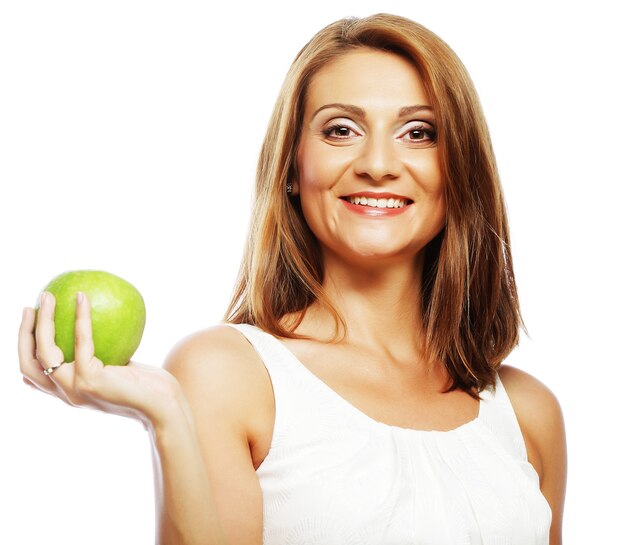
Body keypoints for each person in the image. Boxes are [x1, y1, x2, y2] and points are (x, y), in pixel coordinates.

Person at [18, 12, 567, 545]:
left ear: (460, 169)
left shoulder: (527, 413)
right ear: (292, 170)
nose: (378, 163)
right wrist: (168, 416)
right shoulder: (226, 376)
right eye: (341, 129)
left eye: (418, 132)